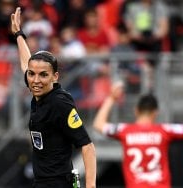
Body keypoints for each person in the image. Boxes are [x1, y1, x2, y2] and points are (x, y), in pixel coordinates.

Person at [11, 7, 96, 188]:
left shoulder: (60, 103)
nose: (35, 80)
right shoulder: (37, 89)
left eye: (43, 75)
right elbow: (26, 63)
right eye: (32, 74)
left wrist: (90, 186)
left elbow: (87, 146)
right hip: (42, 182)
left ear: (55, 77)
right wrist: (19, 34)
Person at [93, 82, 183, 188]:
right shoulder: (164, 130)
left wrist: (111, 98)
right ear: (156, 112)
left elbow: (98, 124)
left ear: (136, 111)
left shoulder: (125, 131)